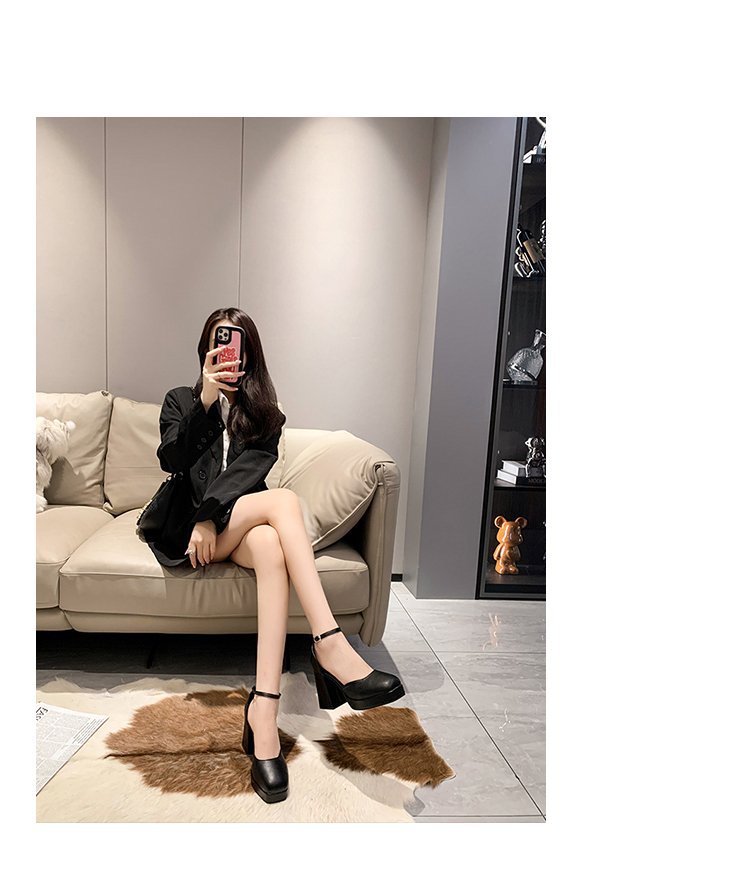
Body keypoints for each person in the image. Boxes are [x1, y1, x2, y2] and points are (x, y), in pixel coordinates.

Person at [149, 308, 404, 804]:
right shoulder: (180, 400)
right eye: (219, 343)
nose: (228, 353)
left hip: (236, 527)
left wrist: (216, 515)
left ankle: (263, 711)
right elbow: (171, 460)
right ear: (206, 350)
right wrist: (205, 401)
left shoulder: (264, 413)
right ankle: (329, 645)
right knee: (284, 501)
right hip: (190, 532)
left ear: (250, 355)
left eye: (237, 345)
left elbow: (251, 472)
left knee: (269, 543)